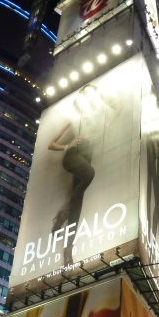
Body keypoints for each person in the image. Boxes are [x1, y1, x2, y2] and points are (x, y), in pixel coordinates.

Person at [48, 84, 124, 266]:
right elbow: (51, 144)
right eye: (85, 95)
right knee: (90, 174)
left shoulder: (99, 118)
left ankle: (68, 251)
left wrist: (101, 95)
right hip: (72, 157)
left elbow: (119, 107)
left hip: (84, 161)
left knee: (77, 208)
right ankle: (62, 214)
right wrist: (68, 145)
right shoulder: (74, 118)